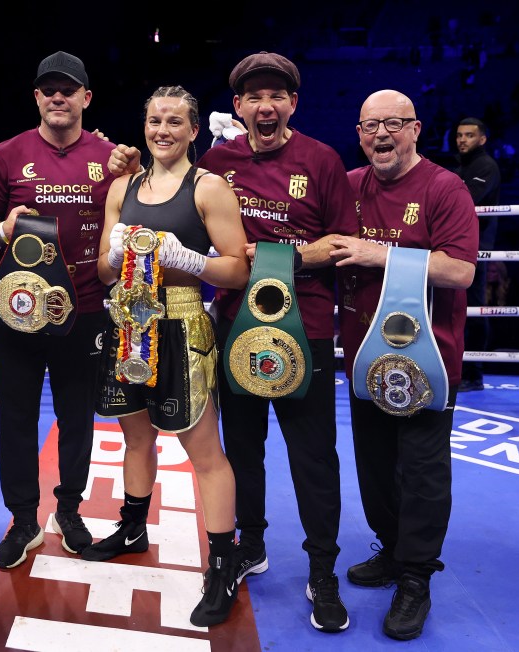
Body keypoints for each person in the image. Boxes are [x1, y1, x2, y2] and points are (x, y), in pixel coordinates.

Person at [194, 51, 357, 633]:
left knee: (312, 457)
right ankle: (248, 546)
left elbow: (342, 240)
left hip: (305, 331)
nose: (266, 106)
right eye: (254, 96)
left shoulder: (321, 159)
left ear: (293, 103)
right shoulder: (216, 161)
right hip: (235, 327)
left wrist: (277, 257)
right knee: (241, 450)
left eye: (277, 96)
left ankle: (322, 571)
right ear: (237, 106)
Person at [85, 85, 250, 627]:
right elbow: (105, 272)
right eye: (155, 120)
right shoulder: (122, 187)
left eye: (175, 122)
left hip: (182, 321)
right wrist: (114, 255)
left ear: (193, 130)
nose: (163, 131)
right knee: (135, 436)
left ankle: (222, 563)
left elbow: (237, 269)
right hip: (129, 323)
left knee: (204, 452)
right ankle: (133, 527)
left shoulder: (210, 188)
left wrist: (191, 260)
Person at [331, 89, 478, 641]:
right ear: (360, 132)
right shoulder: (348, 187)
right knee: (373, 467)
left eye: (394, 124)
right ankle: (392, 551)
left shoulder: (445, 187)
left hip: (428, 364)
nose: (382, 135)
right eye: (371, 126)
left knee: (421, 471)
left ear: (415, 129)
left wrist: (381, 254)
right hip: (365, 359)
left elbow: (461, 271)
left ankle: (416, 576)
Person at [0, 50, 116, 569]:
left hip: (86, 309)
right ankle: (24, 519)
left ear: (85, 98)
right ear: (37, 97)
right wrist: (3, 229)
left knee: (77, 417)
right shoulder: (7, 155)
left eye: (68, 89)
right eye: (49, 89)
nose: (58, 97)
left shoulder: (110, 158)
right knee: (15, 418)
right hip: (17, 312)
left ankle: (70, 511)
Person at [454, 117, 500, 392]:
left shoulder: (486, 166)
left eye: (469, 135)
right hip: (457, 246)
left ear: (482, 139)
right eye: (459, 135)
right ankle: (461, 369)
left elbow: (463, 200)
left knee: (474, 307)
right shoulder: (462, 166)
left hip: (478, 248)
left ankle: (474, 373)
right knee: (457, 309)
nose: (462, 140)